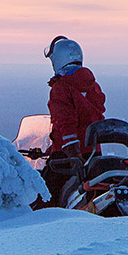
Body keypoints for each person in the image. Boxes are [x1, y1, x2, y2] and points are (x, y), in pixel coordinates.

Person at [40, 36, 107, 205]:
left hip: (69, 159)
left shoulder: (61, 87)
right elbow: (95, 118)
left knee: (45, 198)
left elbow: (65, 123)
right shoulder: (92, 85)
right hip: (93, 155)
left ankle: (45, 230)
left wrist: (72, 153)